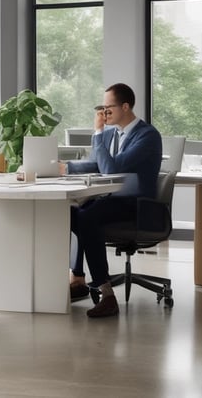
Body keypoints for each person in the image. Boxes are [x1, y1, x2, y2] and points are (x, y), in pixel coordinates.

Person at [60, 83, 162, 318]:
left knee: (87, 217)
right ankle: (78, 279)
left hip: (136, 204)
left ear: (125, 107)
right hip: (112, 198)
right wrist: (66, 167)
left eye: (108, 108)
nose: (104, 114)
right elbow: (98, 164)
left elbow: (111, 168)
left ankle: (107, 294)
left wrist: (96, 134)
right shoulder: (112, 134)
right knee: (71, 212)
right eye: (102, 109)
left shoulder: (147, 136)